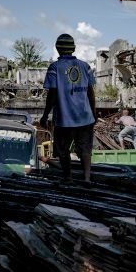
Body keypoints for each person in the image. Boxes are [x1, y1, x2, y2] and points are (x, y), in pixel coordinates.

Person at [40, 34, 96, 182]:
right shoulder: (86, 66)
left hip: (64, 119)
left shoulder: (54, 68)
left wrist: (45, 115)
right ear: (74, 48)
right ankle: (87, 178)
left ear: (57, 49)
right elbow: (91, 93)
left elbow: (52, 95)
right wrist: (94, 113)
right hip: (85, 117)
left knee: (63, 150)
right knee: (85, 149)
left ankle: (68, 177)